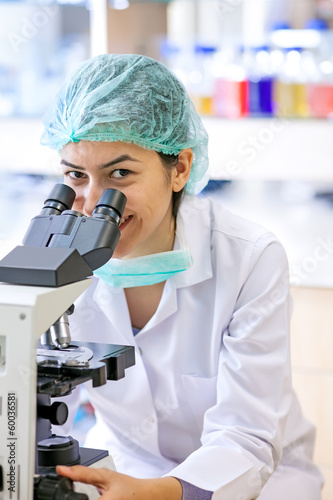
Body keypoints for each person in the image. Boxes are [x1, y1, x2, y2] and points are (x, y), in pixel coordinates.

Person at [41, 53, 323, 500]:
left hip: (249, 482)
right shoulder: (54, 253)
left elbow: (246, 435)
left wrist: (156, 492)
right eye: (76, 175)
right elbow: (39, 396)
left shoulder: (249, 258)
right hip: (123, 472)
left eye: (120, 173)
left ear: (181, 168)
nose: (95, 203)